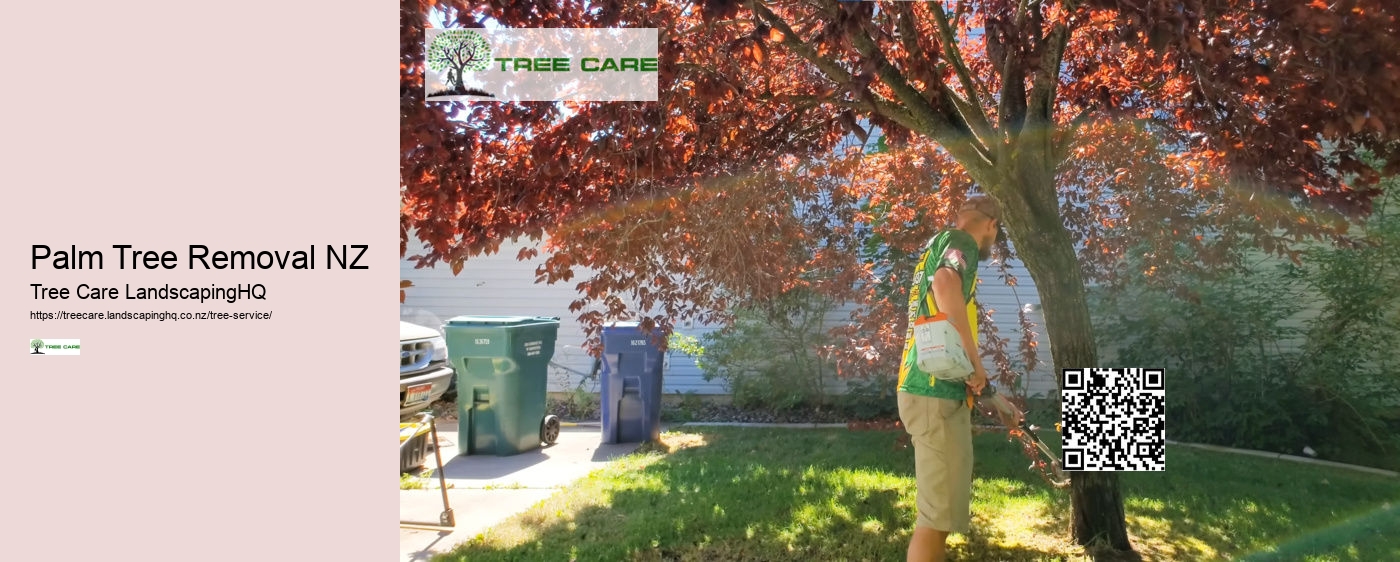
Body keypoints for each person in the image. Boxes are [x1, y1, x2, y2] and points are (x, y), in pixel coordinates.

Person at [897, 194, 1004, 562]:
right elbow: (945, 284)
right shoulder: (961, 242)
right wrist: (976, 364)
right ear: (990, 224)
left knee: (938, 519)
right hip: (933, 393)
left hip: (932, 389)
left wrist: (990, 393)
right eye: (997, 232)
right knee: (935, 521)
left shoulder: (938, 245)